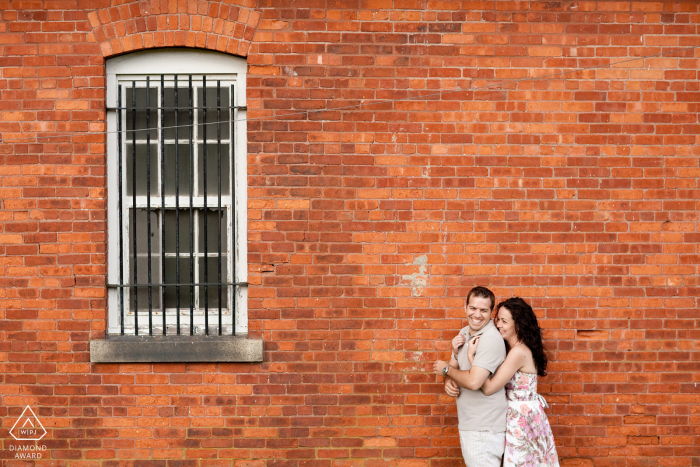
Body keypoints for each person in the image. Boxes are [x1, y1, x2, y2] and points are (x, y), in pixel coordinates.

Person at [467, 297, 559, 467]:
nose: (498, 325)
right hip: (524, 415)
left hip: (521, 418)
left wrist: (471, 357)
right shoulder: (512, 348)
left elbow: (488, 388)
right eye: (498, 320)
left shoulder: (518, 352)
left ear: (518, 324)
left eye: (504, 321)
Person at [433, 286, 507, 467]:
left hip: (484, 428)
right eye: (473, 308)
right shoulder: (464, 332)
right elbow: (455, 367)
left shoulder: (490, 339)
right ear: (465, 307)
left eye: (484, 310)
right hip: (471, 423)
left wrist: (445, 371)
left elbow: (474, 382)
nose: (477, 314)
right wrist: (448, 380)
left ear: (491, 313)